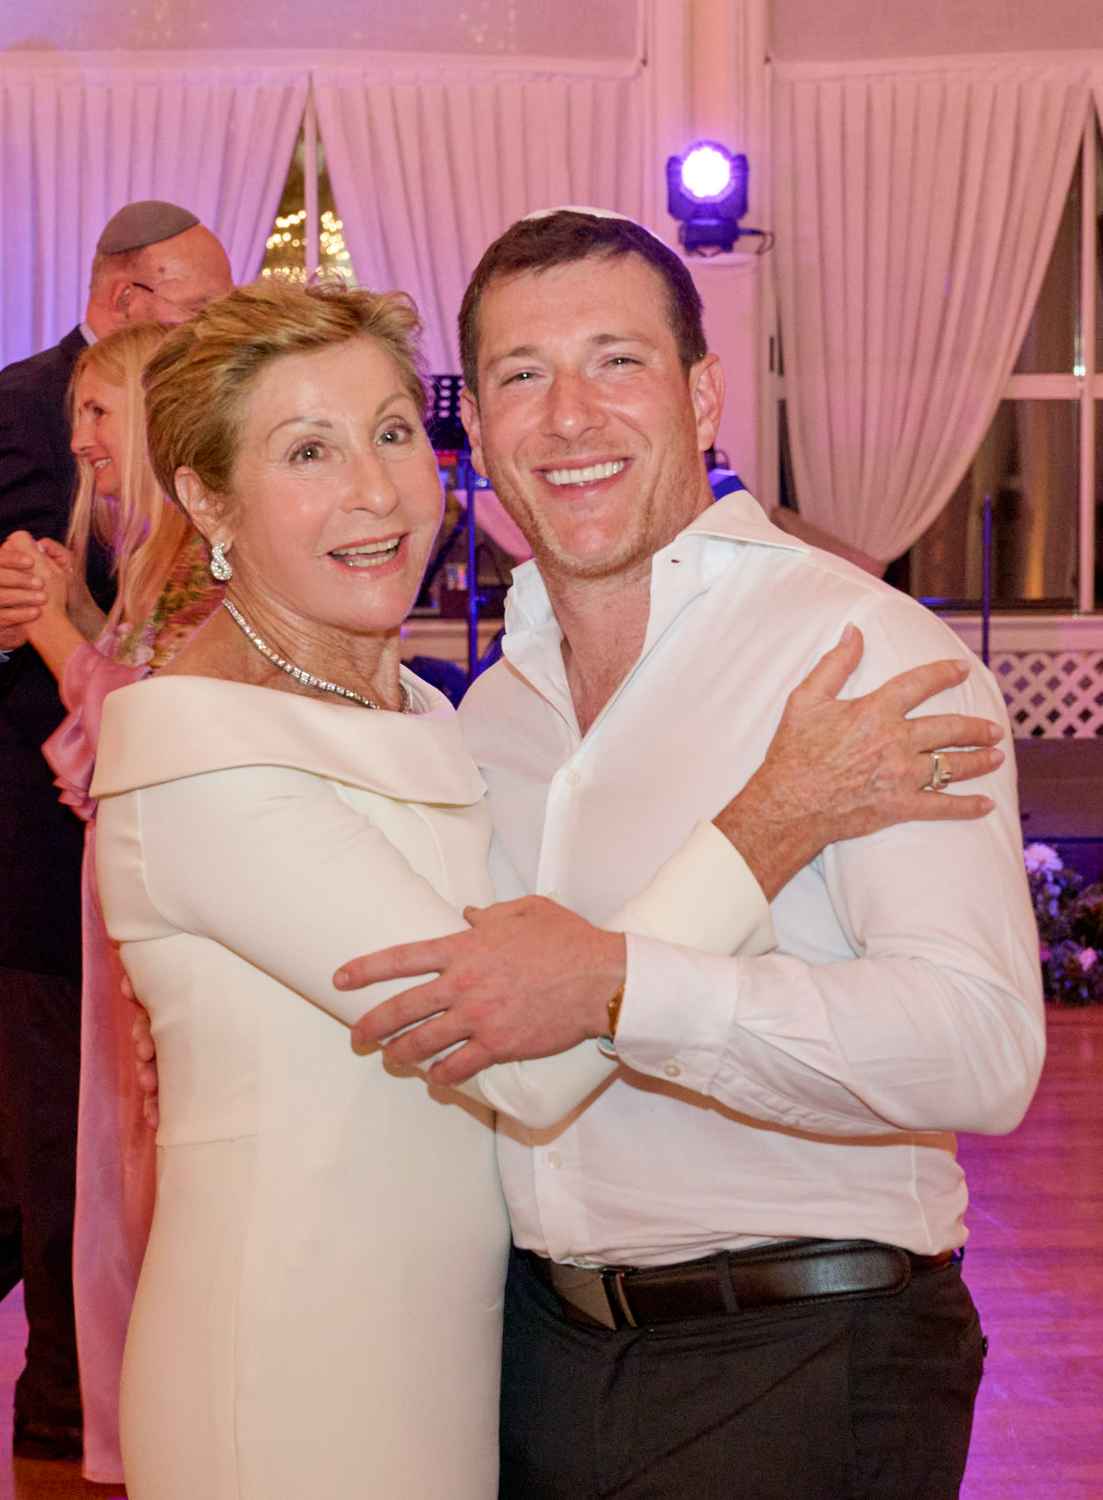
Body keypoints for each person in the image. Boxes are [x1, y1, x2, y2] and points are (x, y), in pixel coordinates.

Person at [97, 279, 1000, 1500]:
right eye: (307, 451)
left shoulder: (441, 715)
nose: (374, 491)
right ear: (209, 500)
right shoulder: (199, 748)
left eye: (391, 433)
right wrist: (774, 815)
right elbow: (521, 1056)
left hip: (494, 1351)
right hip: (296, 1358)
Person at [333, 210, 1045, 1499]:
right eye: (522, 376)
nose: (568, 417)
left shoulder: (859, 654)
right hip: (535, 1358)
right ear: (477, 430)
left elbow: (980, 1048)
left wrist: (625, 986)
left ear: (702, 395)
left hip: (800, 1357)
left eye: (616, 362)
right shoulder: (491, 718)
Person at [0, 200, 231, 1461]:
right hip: (38, 868)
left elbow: (144, 703)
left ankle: (99, 1413)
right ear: (132, 300)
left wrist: (59, 623)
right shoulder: (19, 415)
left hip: (141, 884)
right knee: (60, 1158)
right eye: (200, 309)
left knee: (91, 1163)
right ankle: (75, 1419)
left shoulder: (192, 537)